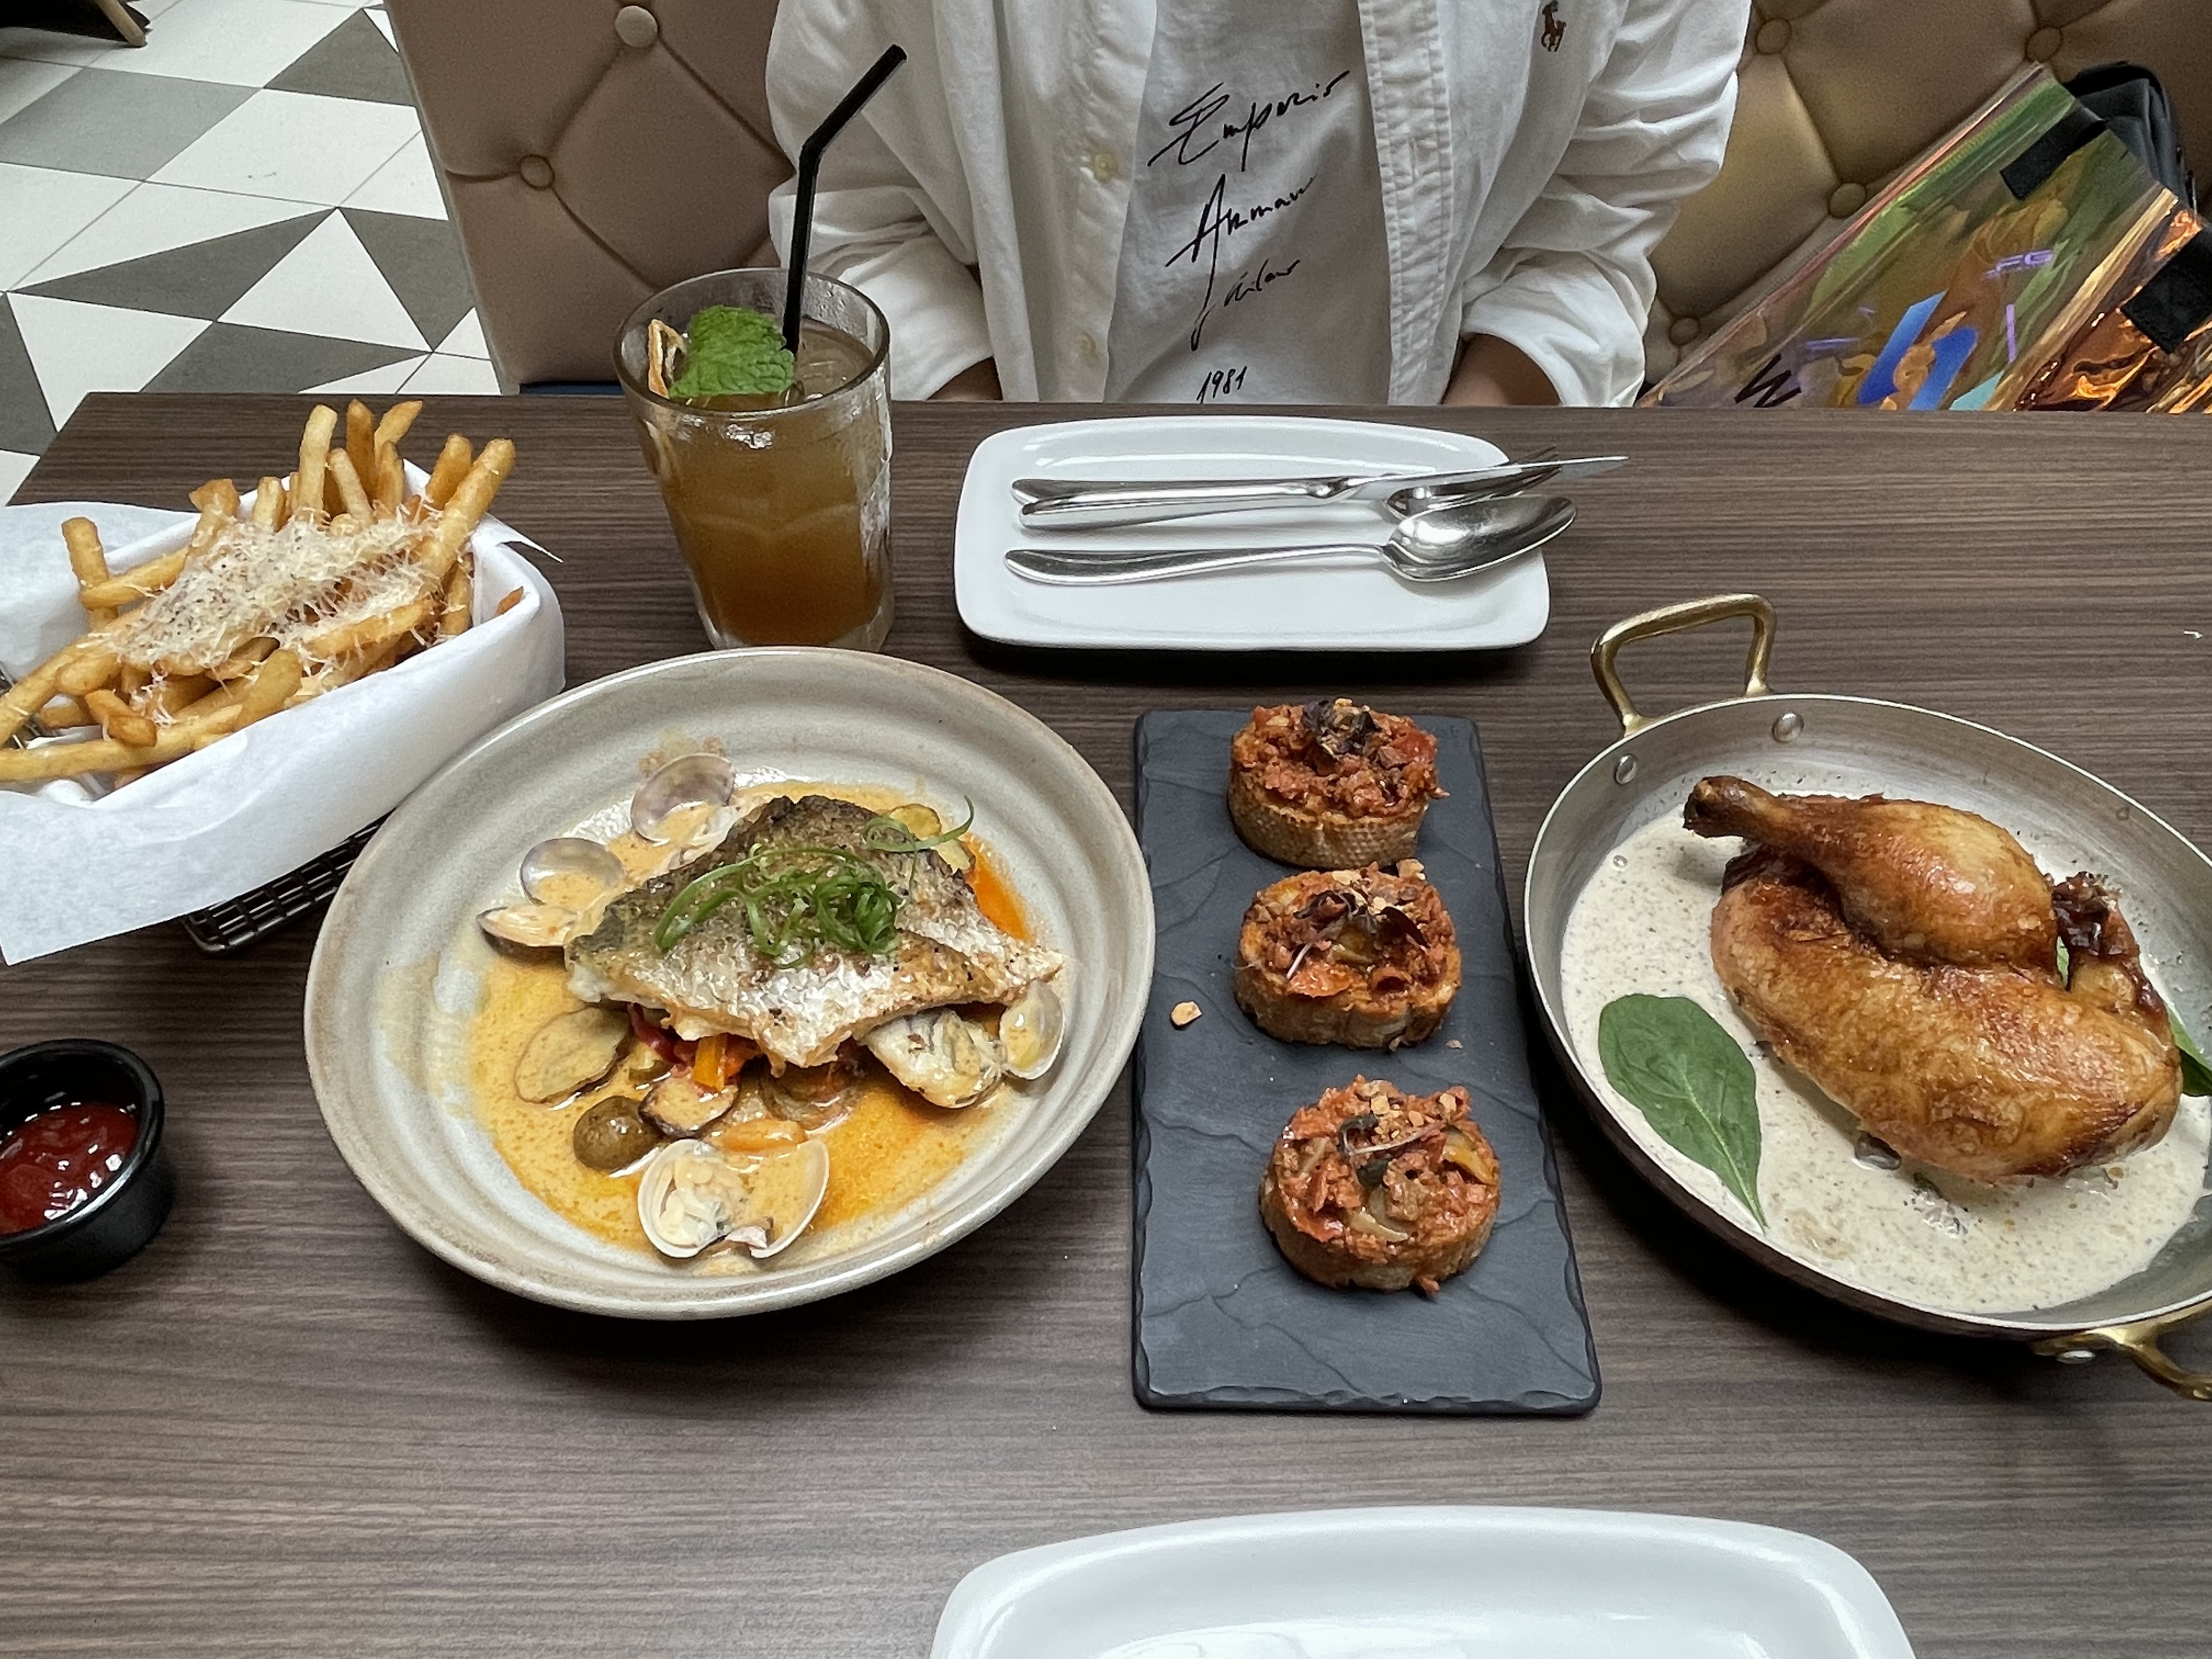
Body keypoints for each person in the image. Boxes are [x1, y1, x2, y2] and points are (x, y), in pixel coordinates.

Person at [767, 0, 1747, 408]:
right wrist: (1006, 476)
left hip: (1435, 498)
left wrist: (1449, 483)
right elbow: (861, 213)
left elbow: (1594, 221)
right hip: (1018, 503)